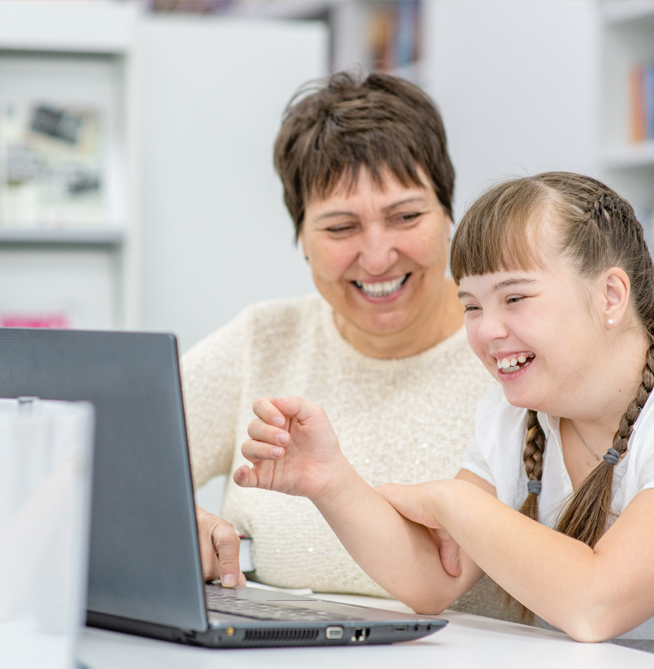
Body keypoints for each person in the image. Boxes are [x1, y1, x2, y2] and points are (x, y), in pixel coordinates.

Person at [237, 172, 654, 668]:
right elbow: (435, 577)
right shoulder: (513, 417)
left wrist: (454, 501)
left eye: (514, 297)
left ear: (611, 295)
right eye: (471, 306)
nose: (487, 331)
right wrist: (330, 481)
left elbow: (596, 602)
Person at [183, 71, 508, 618]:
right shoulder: (262, 340)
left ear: (450, 215)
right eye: (340, 228)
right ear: (301, 241)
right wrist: (171, 519)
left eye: (405, 216)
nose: (378, 257)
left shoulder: (513, 350)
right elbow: (95, 467)